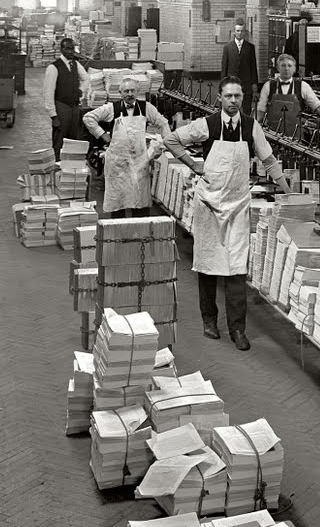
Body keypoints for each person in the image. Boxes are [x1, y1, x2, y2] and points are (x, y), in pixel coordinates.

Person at [162, 78, 282, 351]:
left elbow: (269, 160)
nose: (233, 100)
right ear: (219, 98)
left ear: (242, 98)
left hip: (238, 206)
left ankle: (237, 329)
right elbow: (171, 139)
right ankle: (209, 321)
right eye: (228, 96)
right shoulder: (207, 124)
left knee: (236, 270)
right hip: (209, 205)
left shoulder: (251, 127)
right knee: (208, 266)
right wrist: (193, 164)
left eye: (237, 96)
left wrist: (287, 190)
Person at [83, 75, 168, 217]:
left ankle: (140, 232)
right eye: (126, 91)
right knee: (118, 201)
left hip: (139, 162)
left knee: (139, 199)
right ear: (120, 93)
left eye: (133, 91)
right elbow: (88, 118)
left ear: (138, 92)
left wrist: (164, 145)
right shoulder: (111, 108)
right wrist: (103, 135)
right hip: (117, 164)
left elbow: (163, 123)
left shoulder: (146, 108)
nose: (130, 94)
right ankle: (119, 232)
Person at [257, 53, 320, 138]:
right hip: (272, 134)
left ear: (294, 69)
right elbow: (261, 110)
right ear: (278, 68)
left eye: (289, 66)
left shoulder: (303, 86)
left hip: (295, 137)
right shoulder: (268, 86)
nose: (286, 68)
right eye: (283, 65)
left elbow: (318, 107)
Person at [42, 37, 88, 158]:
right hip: (61, 107)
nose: (70, 51)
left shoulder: (76, 64)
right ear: (61, 49)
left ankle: (71, 168)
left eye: (72, 49)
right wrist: (53, 115)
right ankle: (57, 165)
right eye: (67, 49)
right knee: (59, 141)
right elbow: (48, 92)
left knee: (73, 140)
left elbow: (86, 78)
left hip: (74, 107)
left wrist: (81, 91)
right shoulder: (53, 67)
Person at [220, 19, 259, 97]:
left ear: (245, 32)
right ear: (234, 32)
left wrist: (254, 84)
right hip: (232, 84)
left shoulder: (250, 47)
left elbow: (253, 67)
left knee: (246, 107)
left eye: (242, 31)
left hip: (246, 84)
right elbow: (224, 67)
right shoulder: (227, 47)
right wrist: (222, 85)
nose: (240, 33)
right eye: (238, 31)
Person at [283, 9, 320, 76]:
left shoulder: (293, 36)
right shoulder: (298, 37)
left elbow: (287, 52)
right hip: (301, 63)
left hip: (296, 63)